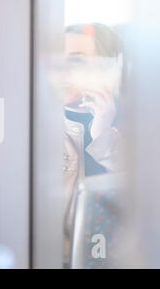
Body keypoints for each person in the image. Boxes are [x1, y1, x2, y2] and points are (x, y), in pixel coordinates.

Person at [62, 23, 124, 263]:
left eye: (76, 61)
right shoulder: (33, 127)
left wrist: (103, 134)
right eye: (61, 59)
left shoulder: (139, 126)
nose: (64, 69)